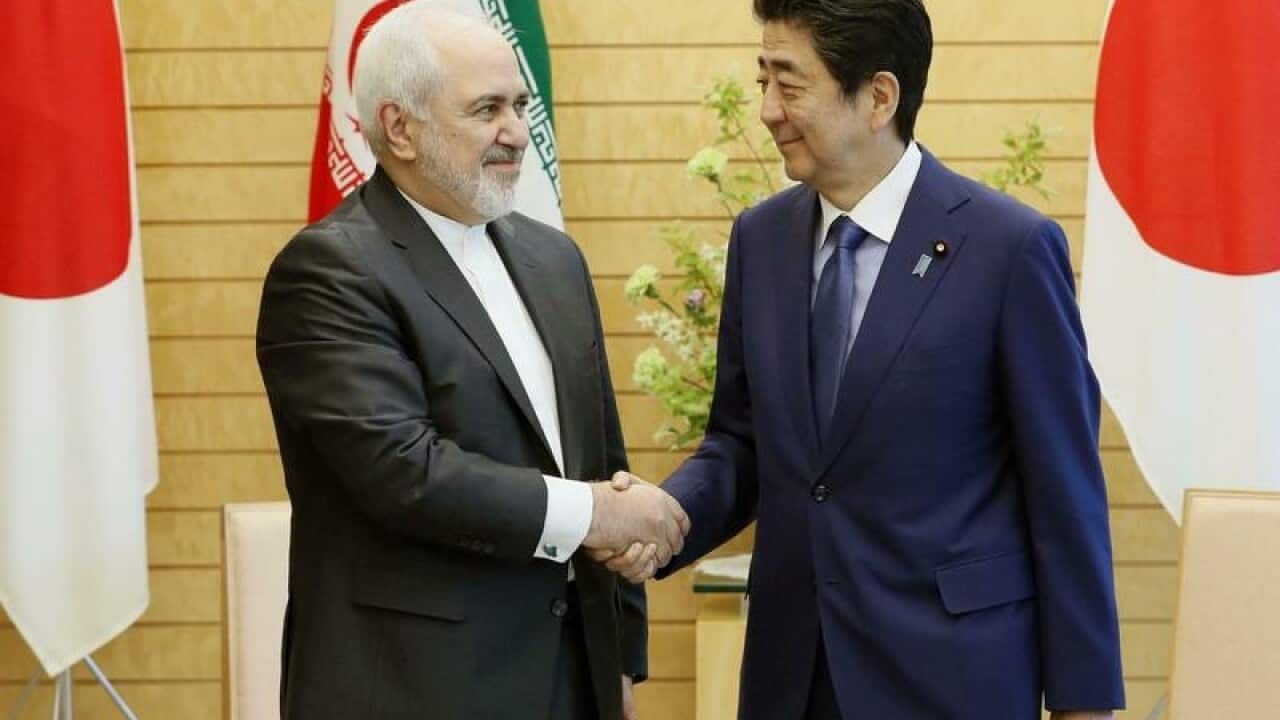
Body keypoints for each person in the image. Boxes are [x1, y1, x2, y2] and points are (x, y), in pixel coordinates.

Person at [599, 1, 1125, 718]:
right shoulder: (761, 239)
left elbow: (1066, 498)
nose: (767, 111)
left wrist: (1083, 704)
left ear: (879, 96)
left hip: (952, 679)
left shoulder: (1008, 250)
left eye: (789, 84)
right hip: (793, 676)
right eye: (762, 81)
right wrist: (667, 513)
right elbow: (743, 443)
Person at [255, 4, 687, 719]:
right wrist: (594, 517)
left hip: (572, 682)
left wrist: (622, 664)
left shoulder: (554, 260)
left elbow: (599, 458)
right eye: (486, 109)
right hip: (413, 690)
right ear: (399, 127)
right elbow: (404, 471)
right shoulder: (330, 271)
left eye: (519, 104)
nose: (516, 132)